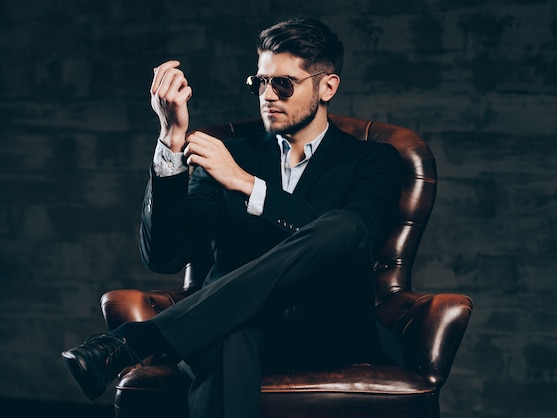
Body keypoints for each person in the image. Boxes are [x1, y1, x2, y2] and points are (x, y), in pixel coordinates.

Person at [62, 16, 401, 418]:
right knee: (228, 335)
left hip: (329, 330)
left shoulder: (372, 159)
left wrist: (247, 185)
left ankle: (137, 340)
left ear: (327, 86)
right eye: (260, 82)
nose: (268, 95)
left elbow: (359, 240)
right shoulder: (228, 154)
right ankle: (151, 338)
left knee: (345, 225)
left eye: (283, 83)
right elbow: (165, 257)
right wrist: (171, 141)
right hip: (229, 326)